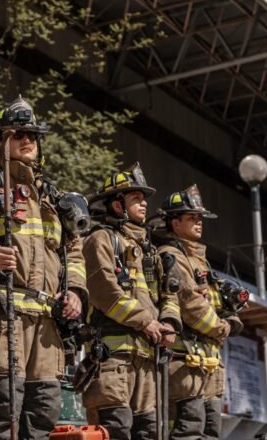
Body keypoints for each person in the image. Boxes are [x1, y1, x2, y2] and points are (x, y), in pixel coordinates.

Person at [0, 97, 87, 440]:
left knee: (43, 412)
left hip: (45, 326)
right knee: (1, 414)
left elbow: (73, 249)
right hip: (1, 318)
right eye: (17, 134)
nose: (28, 140)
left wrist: (74, 291)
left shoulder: (51, 197)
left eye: (32, 134)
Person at [81, 164, 181, 440]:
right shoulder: (100, 239)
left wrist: (169, 322)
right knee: (115, 430)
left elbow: (168, 294)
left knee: (147, 431)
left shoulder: (149, 250)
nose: (144, 204)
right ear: (116, 204)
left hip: (147, 359)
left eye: (144, 199)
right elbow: (104, 292)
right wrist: (146, 321)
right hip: (113, 359)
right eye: (135, 198)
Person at [154, 185, 242, 440]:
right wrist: (221, 329)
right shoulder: (171, 255)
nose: (199, 223)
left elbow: (217, 301)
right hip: (185, 364)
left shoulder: (200, 261)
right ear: (174, 223)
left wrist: (232, 318)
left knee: (211, 432)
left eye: (200, 218)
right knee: (187, 431)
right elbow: (191, 304)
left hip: (209, 365)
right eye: (192, 217)